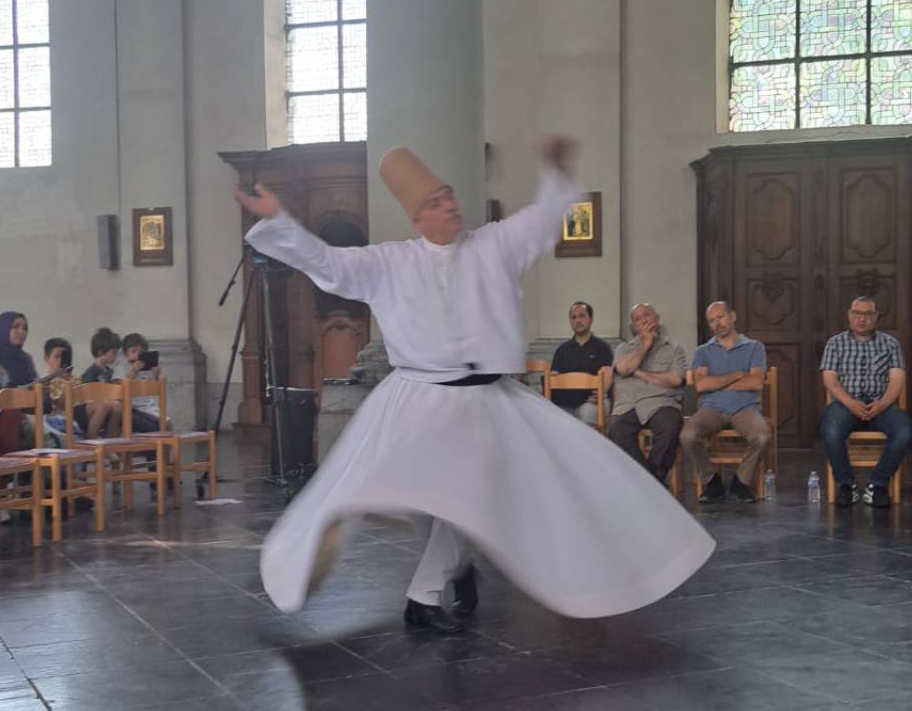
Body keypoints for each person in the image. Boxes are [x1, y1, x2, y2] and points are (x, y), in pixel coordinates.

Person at [237, 137, 714, 635]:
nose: (449, 206)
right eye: (435, 202)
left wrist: (557, 173)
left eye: (449, 195)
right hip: (417, 399)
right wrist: (279, 222)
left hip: (486, 400)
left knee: (475, 493)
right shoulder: (389, 262)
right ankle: (453, 568)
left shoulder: (492, 245)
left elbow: (541, 220)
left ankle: (427, 594)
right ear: (417, 219)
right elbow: (327, 263)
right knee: (430, 496)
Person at [820, 296, 912, 509]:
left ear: (876, 316)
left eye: (868, 314)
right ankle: (846, 485)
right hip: (846, 404)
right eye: (857, 314)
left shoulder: (890, 343)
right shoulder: (835, 343)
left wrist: (882, 404)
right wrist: (851, 403)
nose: (862, 319)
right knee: (830, 430)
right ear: (849, 315)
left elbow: (897, 380)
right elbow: (830, 380)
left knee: (905, 430)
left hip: (881, 404)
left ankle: (878, 485)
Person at [679, 302, 771, 505]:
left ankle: (741, 482)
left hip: (746, 408)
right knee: (688, 436)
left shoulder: (754, 347)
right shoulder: (703, 351)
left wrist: (716, 382)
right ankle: (711, 482)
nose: (717, 323)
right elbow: (701, 386)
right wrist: (737, 375)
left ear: (733, 317)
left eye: (720, 317)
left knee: (762, 436)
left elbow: (756, 382)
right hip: (711, 408)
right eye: (712, 320)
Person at [607, 303, 687, 486]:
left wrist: (640, 374)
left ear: (656, 319)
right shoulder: (623, 349)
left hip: (662, 403)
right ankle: (653, 485)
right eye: (637, 319)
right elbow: (623, 368)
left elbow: (676, 379)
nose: (643, 320)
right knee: (616, 431)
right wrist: (645, 344)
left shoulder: (675, 349)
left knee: (669, 429)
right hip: (629, 405)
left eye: (647, 315)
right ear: (634, 327)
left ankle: (648, 485)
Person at [548, 301, 612, 425]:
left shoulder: (603, 347)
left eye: (582, 316)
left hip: (592, 402)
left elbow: (607, 376)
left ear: (591, 319)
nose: (578, 321)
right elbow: (553, 379)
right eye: (574, 317)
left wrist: (601, 393)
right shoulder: (562, 350)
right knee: (553, 415)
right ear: (570, 321)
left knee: (588, 411)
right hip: (566, 403)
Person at [111, 332, 164, 433]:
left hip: (150, 408)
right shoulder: (121, 368)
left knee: (166, 425)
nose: (137, 355)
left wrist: (157, 376)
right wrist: (133, 371)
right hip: (132, 409)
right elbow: (118, 391)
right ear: (126, 353)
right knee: (153, 426)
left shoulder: (147, 368)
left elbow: (156, 390)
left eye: (141, 352)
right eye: (134, 351)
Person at [78, 328, 122, 439]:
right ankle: (91, 440)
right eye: (113, 353)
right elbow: (85, 397)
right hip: (86, 408)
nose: (115, 356)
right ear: (100, 352)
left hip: (105, 403)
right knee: (104, 405)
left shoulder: (110, 372)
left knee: (117, 406)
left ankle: (110, 439)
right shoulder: (91, 372)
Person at [0, 312, 38, 389]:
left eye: (25, 328)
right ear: (2, 329)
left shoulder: (27, 359)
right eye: (15, 327)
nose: (21, 331)